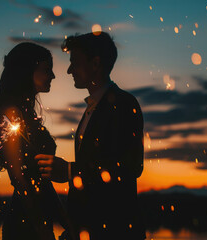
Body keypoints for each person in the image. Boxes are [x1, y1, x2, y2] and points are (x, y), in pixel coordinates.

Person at [35, 32, 146, 240]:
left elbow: (130, 167)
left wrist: (69, 171)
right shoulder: (92, 109)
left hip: (115, 231)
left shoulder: (123, 104)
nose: (69, 70)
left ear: (95, 64)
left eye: (74, 62)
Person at [0, 42, 64, 240]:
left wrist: (64, 220)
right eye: (47, 70)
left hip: (37, 216)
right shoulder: (12, 114)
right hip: (26, 222)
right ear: (26, 71)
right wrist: (40, 226)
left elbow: (42, 183)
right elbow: (19, 177)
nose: (53, 76)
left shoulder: (26, 115)